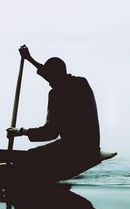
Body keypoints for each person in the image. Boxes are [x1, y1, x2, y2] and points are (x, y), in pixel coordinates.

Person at [7, 45, 100, 180]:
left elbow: (50, 133)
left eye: (49, 79)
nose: (48, 83)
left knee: (29, 156)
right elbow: (53, 75)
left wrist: (20, 131)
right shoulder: (81, 83)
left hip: (74, 149)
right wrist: (29, 59)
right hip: (92, 146)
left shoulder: (57, 94)